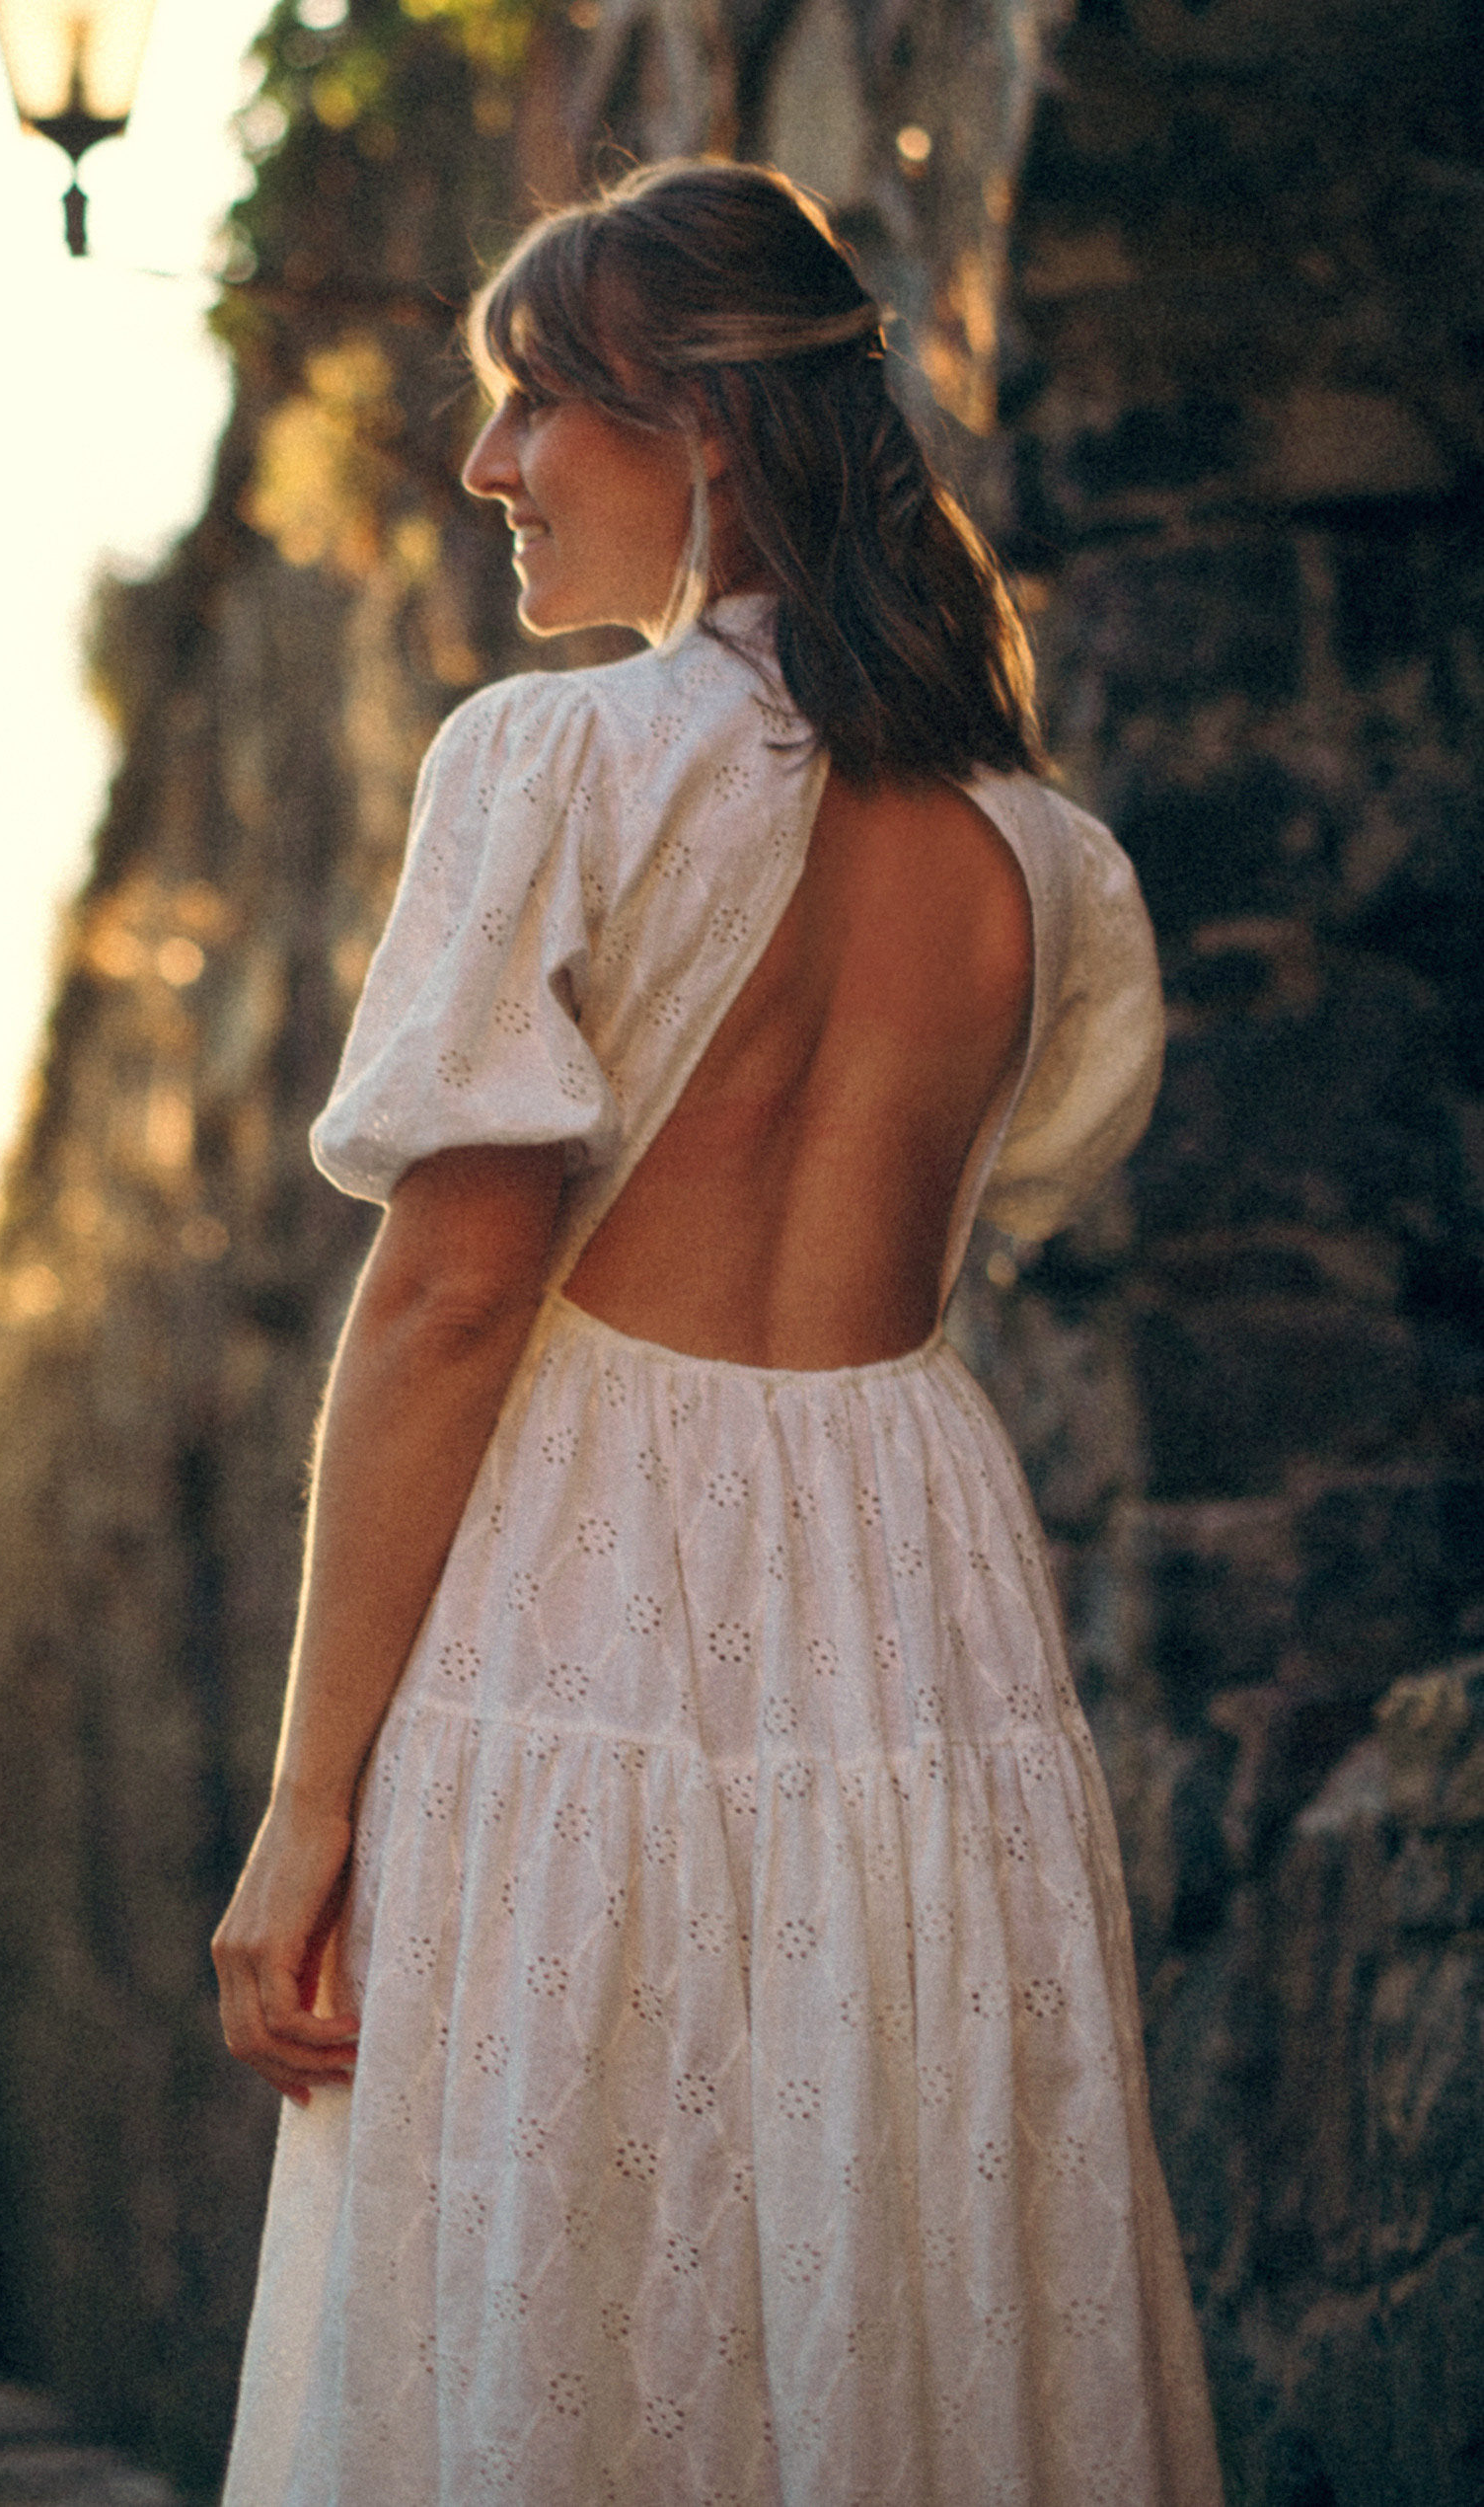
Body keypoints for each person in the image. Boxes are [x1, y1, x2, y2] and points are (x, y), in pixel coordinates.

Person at [211, 159, 1222, 2507]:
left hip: (588, 1568)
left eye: (531, 407)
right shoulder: (1053, 866)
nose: (488, 470)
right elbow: (1032, 1175)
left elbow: (457, 1293)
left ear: (705, 432)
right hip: (912, 1571)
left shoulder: (548, 764)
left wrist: (307, 1807)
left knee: (566, 2232)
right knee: (921, 2201)